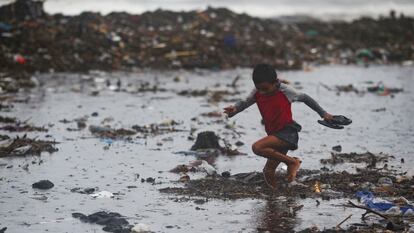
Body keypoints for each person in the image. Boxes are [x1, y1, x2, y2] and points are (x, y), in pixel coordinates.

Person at [223, 64, 333, 190]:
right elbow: (245, 102)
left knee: (257, 147)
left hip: (287, 132)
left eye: (265, 88)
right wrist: (234, 110)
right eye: (259, 88)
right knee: (268, 172)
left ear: (276, 82)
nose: (262, 92)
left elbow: (306, 98)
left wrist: (323, 114)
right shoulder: (257, 92)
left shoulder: (286, 91)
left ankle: (292, 162)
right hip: (274, 134)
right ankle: (275, 197)